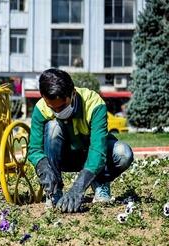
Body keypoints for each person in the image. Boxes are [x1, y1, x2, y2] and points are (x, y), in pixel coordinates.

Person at [28, 69, 134, 213]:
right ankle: (55, 191)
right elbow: (34, 149)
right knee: (53, 126)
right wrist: (44, 168)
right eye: (51, 107)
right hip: (64, 157)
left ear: (73, 93)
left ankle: (100, 181)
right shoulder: (40, 108)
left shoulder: (94, 103)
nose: (57, 111)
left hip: (91, 155)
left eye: (61, 107)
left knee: (123, 153)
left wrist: (78, 188)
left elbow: (98, 150)